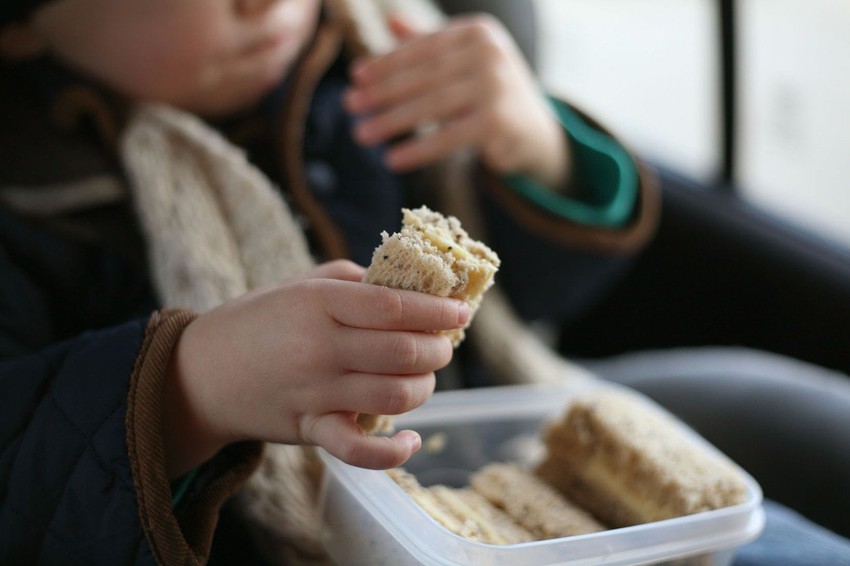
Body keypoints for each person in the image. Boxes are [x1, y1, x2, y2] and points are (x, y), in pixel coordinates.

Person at [0, 0, 846, 565]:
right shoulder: (29, 197)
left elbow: (542, 304)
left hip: (498, 452)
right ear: (25, 25)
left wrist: (538, 148)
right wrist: (190, 390)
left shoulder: (383, 60)